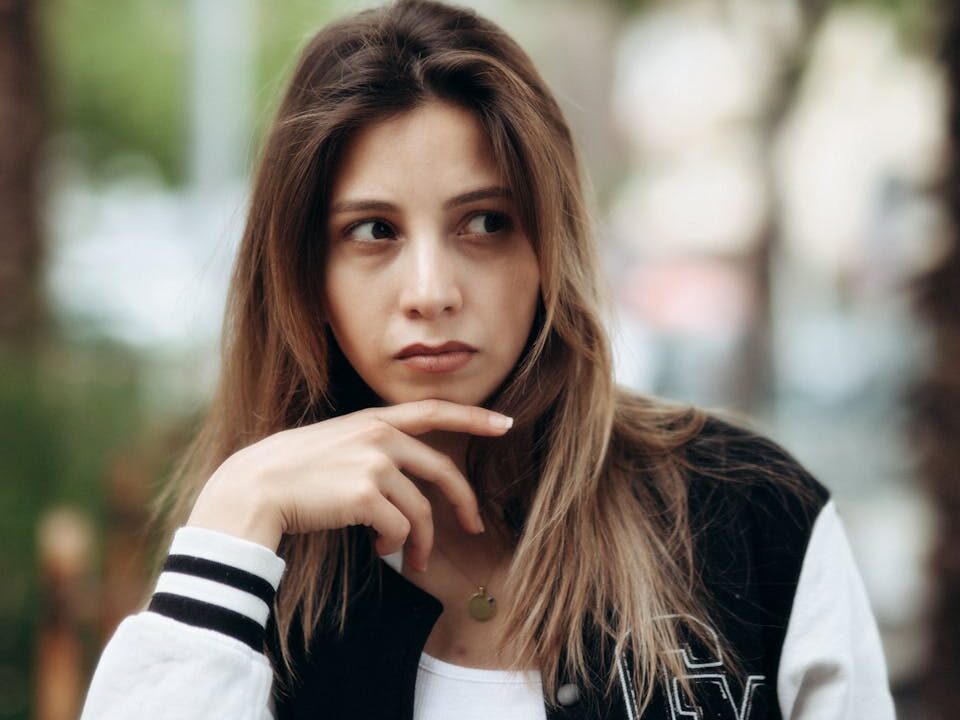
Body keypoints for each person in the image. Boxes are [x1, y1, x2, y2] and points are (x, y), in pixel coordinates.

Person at [78, 1, 896, 718]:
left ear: (549, 245)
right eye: (374, 232)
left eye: (485, 223)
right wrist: (239, 502)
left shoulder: (751, 516)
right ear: (304, 273)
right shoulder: (254, 563)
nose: (431, 292)